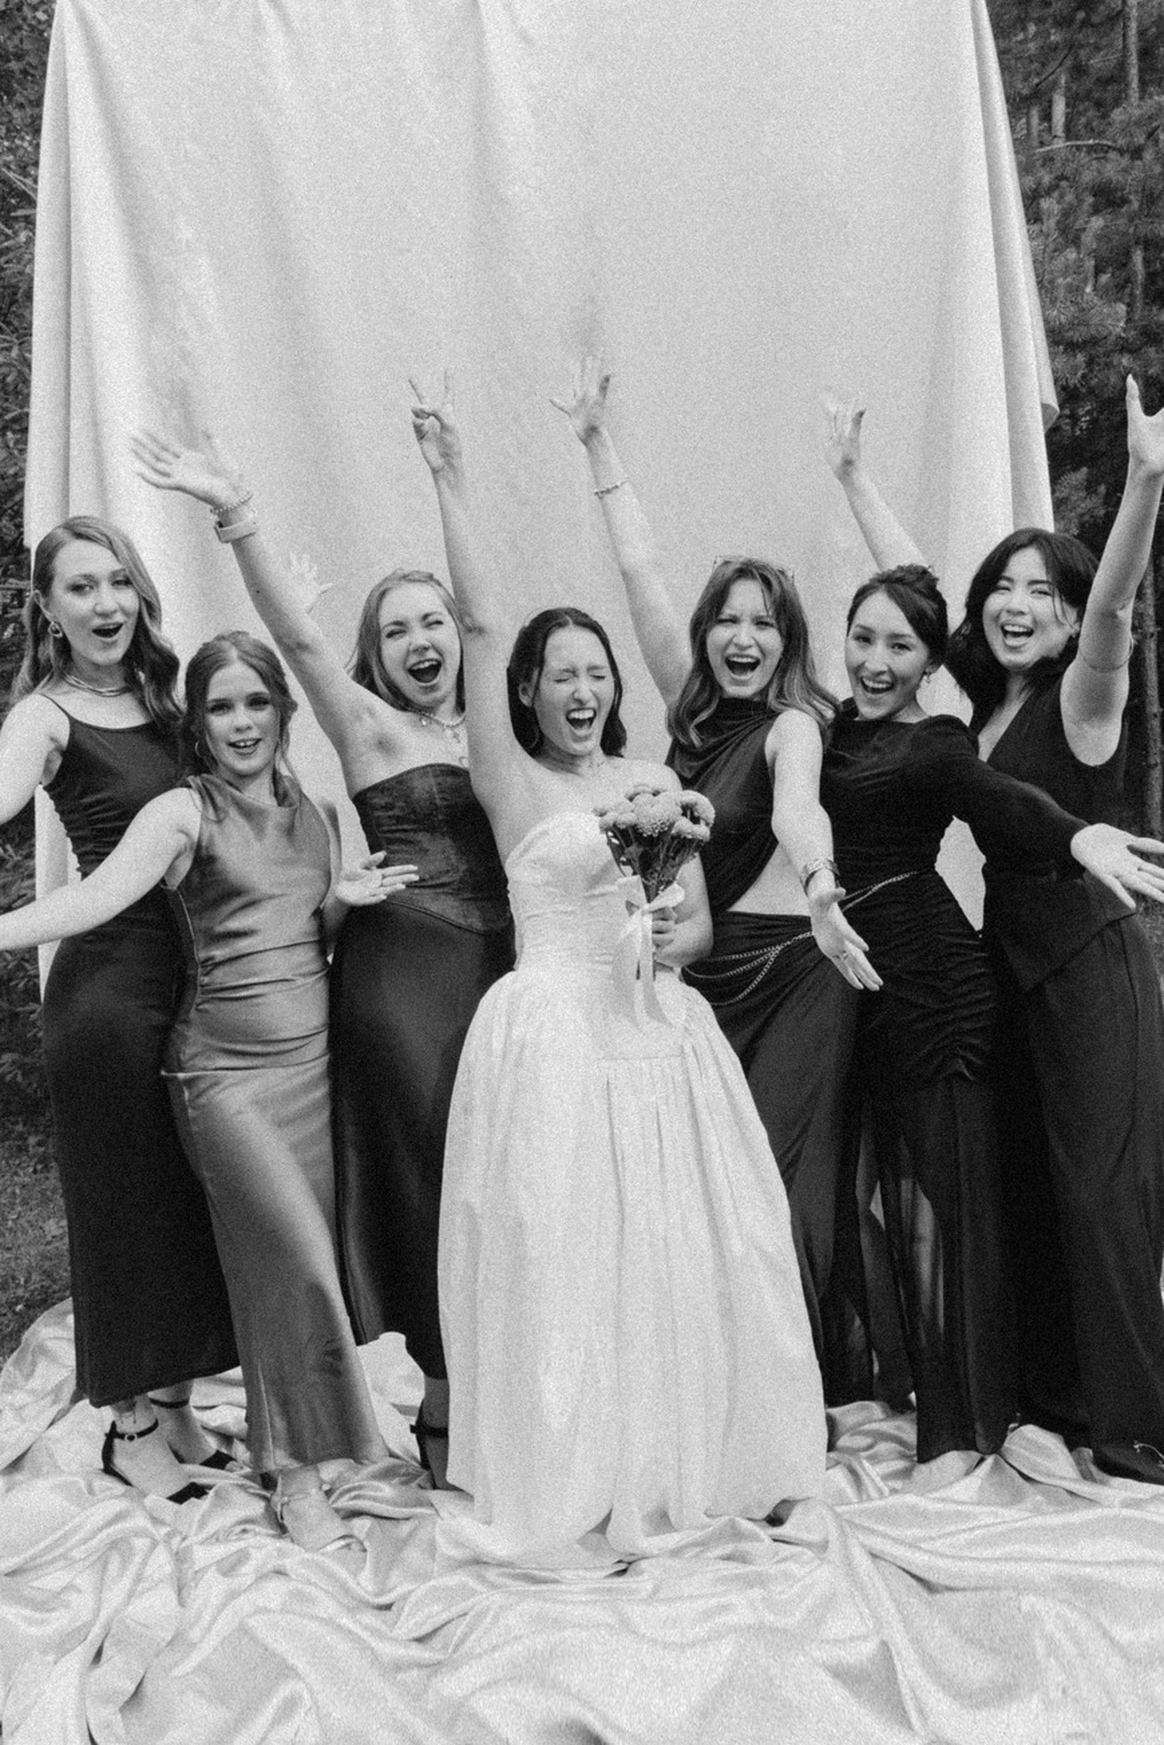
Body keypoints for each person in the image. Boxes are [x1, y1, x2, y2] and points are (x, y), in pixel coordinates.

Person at [407, 373, 825, 1561]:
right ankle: (575, 1466)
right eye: (562, 673)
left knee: (695, 1251)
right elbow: (479, 625)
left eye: (597, 672)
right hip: (553, 1031)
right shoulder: (512, 781)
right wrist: (450, 475)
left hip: (659, 1030)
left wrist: (668, 930)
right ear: (529, 691)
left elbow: (695, 926)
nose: (584, 689)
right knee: (566, 1253)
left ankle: (701, 1456)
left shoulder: (656, 783)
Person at [132, 431, 515, 1491]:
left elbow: (500, 635)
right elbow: (294, 636)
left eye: (432, 620)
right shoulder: (370, 728)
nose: (421, 640)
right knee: (432, 1191)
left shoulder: (497, 728)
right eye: (396, 630)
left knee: (502, 1189)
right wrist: (238, 514)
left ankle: (496, 1401)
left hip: (501, 983)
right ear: (376, 658)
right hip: (406, 988)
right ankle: (441, 1405)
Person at [0, 630, 407, 1551]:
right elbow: (93, 900)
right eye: (220, 706)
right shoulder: (182, 811)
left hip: (311, 1073)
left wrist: (344, 902)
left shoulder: (317, 811)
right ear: (198, 723)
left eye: (255, 702)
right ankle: (297, 1481)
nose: (240, 722)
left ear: (283, 711)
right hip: (224, 1077)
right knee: (296, 1268)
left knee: (296, 1274)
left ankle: (294, 1445)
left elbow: (306, 936)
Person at [828, 380, 1164, 1482]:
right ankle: (1057, 1400)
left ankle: (1135, 1424)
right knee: (1033, 1188)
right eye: (1003, 588)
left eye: (1042, 592)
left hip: (1090, 958)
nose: (1019, 606)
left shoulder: (1085, 694)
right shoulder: (985, 697)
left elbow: (1113, 609)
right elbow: (924, 602)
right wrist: (855, 482)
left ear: (1069, 615)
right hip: (1008, 965)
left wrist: (1145, 483)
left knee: (1101, 1193)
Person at [552, 360, 880, 1404]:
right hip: (706, 978)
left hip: (796, 975)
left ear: (788, 640)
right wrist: (598, 446)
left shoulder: (793, 727)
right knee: (707, 1185)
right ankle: (722, 1388)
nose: (744, 637)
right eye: (728, 619)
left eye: (765, 623)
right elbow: (642, 571)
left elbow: (796, 810)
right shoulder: (686, 717)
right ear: (706, 633)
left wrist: (820, 879)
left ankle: (794, 1392)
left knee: (783, 1183)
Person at [0, 516, 238, 1501]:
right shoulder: (45, 717)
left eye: (117, 583)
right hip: (107, 994)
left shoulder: (164, 695)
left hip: (193, 983)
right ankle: (128, 1422)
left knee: (189, 1201)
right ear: (47, 607)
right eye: (80, 587)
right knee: (123, 1208)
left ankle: (176, 1404)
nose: (105, 604)